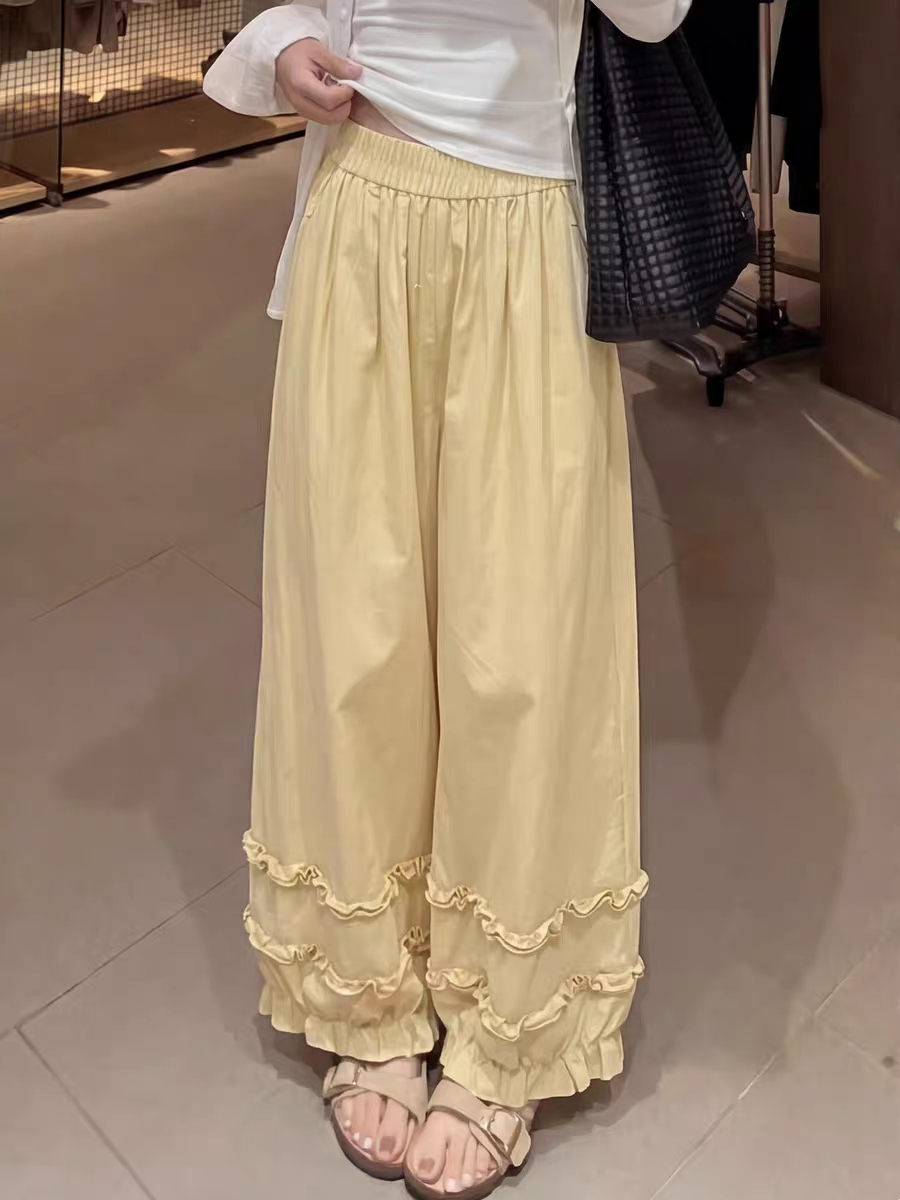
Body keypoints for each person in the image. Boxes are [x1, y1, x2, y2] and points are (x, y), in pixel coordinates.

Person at [204, 1, 691, 1195]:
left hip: (527, 222)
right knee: (353, 633)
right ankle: (366, 995)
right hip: (362, 206)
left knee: (520, 646)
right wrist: (282, 48)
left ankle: (508, 1028)